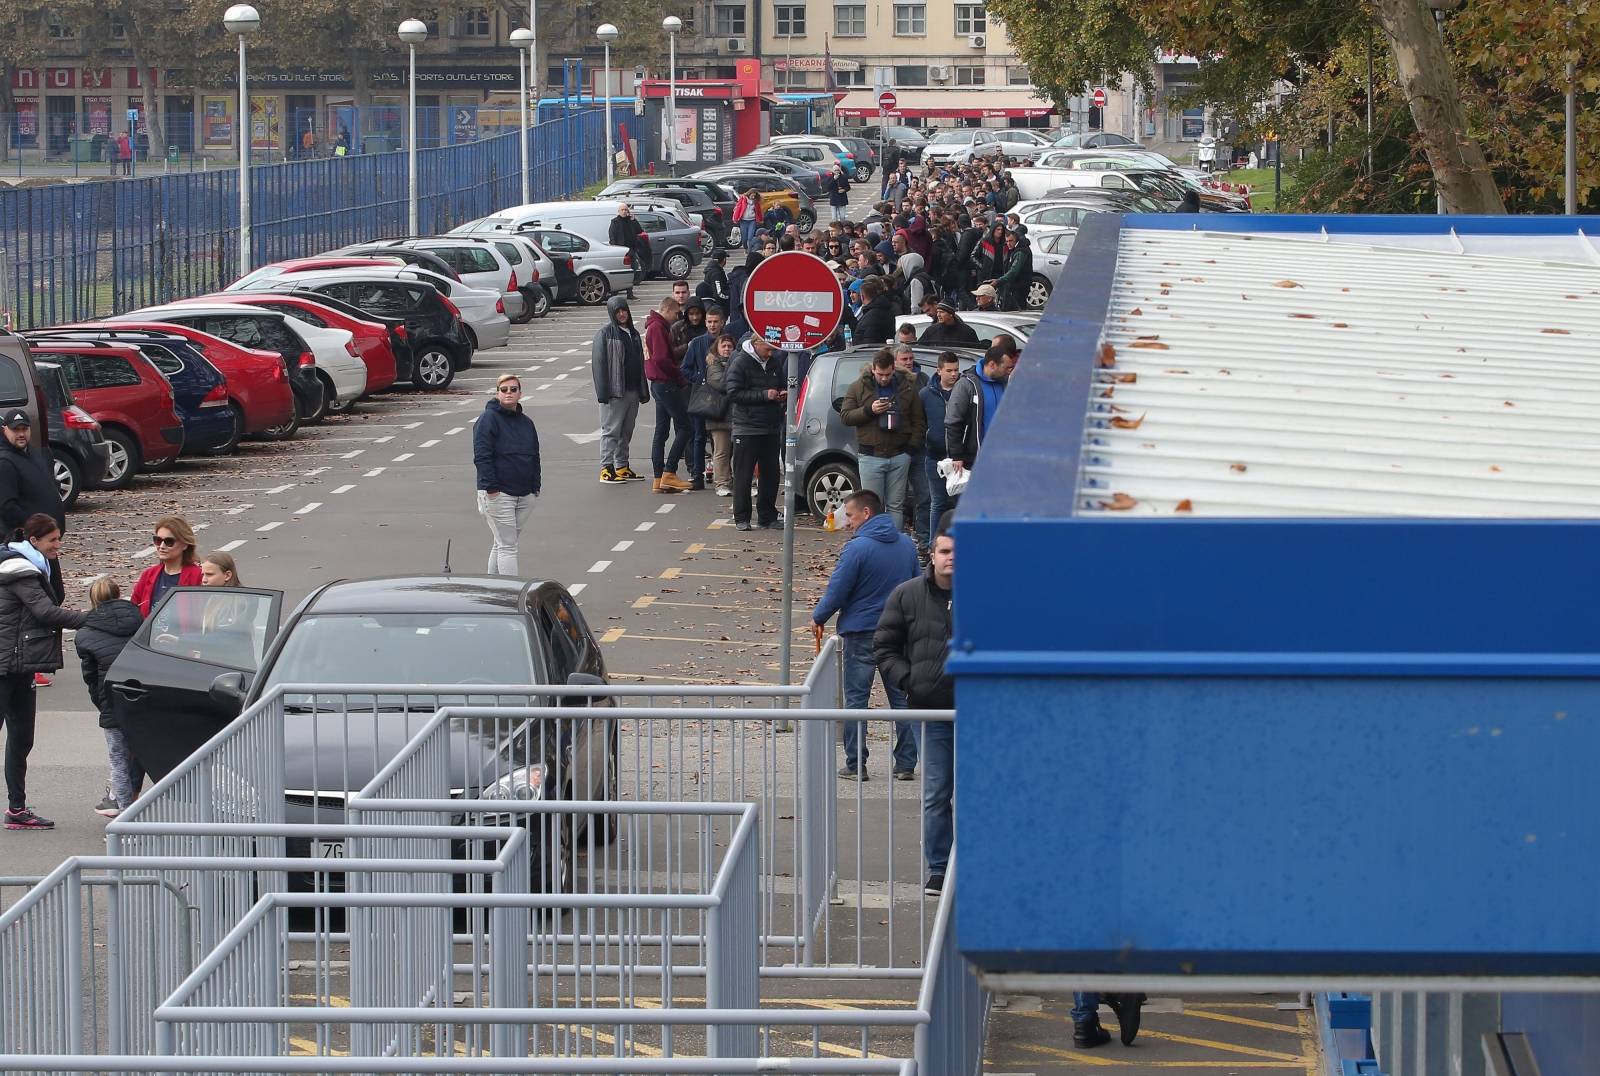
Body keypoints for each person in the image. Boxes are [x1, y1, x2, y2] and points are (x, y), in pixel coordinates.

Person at [812, 489, 919, 781]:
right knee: (902, 698)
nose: (847, 522)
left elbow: (838, 589)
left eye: (850, 515)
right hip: (899, 633)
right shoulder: (907, 545)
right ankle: (906, 763)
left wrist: (819, 616)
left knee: (857, 700)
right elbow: (917, 587)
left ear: (866, 514)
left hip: (861, 633)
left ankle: (856, 763)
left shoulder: (857, 549)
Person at [874, 510, 954, 892]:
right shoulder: (907, 595)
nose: (951, 558)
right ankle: (939, 868)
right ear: (932, 554)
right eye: (945, 551)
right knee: (936, 793)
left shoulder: (989, 594)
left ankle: (971, 866)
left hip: (980, 712)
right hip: (931, 710)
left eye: (959, 551)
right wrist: (912, 682)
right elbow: (884, 647)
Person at [0, 514, 88, 829]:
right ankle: (17, 808)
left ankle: (17, 809)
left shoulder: (31, 564)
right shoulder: (19, 570)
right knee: (19, 738)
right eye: (52, 540)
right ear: (33, 541)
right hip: (4, 666)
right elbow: (45, 612)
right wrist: (92, 619)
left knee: (22, 738)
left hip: (19, 666)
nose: (58, 545)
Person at [77, 576, 143, 818]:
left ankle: (125, 817)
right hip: (143, 700)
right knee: (148, 756)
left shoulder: (86, 635)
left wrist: (101, 703)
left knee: (119, 762)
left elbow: (91, 678)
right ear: (118, 595)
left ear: (93, 601)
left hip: (112, 703)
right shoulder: (140, 620)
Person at [840, 348, 925, 532]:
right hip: (871, 455)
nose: (884, 378)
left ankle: (893, 544)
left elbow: (918, 420)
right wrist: (869, 410)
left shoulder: (907, 387)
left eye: (887, 374)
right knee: (871, 507)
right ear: (873, 370)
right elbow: (845, 416)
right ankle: (873, 543)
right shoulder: (858, 387)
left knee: (896, 505)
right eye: (880, 374)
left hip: (900, 454)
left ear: (894, 369)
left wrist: (910, 448)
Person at [472, 373, 542, 575]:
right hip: (499, 494)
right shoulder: (488, 419)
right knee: (508, 546)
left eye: (513, 389)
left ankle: (493, 589)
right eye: (504, 390)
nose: (508, 393)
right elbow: (482, 456)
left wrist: (534, 487)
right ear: (497, 393)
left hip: (525, 494)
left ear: (520, 393)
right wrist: (491, 488)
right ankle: (510, 596)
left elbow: (534, 454)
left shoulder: (526, 423)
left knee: (502, 542)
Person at [724, 333, 786, 531]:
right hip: (747, 427)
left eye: (773, 349)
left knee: (771, 474)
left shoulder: (774, 363)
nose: (771, 353)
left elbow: (781, 384)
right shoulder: (741, 362)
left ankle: (767, 515)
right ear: (756, 343)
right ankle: (741, 517)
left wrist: (782, 394)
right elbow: (733, 392)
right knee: (743, 474)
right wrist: (763, 395)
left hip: (771, 426)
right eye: (768, 349)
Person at [592, 296, 649, 484]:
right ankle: (606, 469)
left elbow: (640, 363)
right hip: (614, 392)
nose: (622, 314)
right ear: (612, 314)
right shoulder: (605, 334)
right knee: (611, 431)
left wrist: (643, 390)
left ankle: (622, 466)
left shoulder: (633, 333)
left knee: (626, 430)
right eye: (618, 312)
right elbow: (599, 365)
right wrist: (603, 393)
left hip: (632, 390)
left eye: (624, 310)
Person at [644, 297, 694, 494]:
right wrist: (679, 376)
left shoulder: (654, 326)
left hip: (658, 383)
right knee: (685, 426)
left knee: (662, 430)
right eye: (675, 313)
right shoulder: (658, 327)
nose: (676, 318)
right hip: (665, 382)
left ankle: (658, 477)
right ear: (666, 309)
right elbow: (662, 358)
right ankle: (669, 471)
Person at [945, 344, 1008, 479]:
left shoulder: (1004, 383)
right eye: (1006, 367)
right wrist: (956, 455)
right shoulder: (966, 384)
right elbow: (953, 421)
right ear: (992, 364)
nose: (1009, 371)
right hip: (972, 459)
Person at [0, 408, 65, 539]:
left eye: (24, 429)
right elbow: (7, 507)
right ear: (5, 430)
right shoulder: (5, 462)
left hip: (45, 540)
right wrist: (35, 529)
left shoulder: (34, 453)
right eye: (16, 430)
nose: (21, 434)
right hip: (27, 541)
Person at [918, 353, 960, 552]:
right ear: (939, 371)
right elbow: (920, 422)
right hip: (934, 456)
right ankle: (933, 546)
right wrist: (925, 440)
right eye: (949, 370)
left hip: (959, 457)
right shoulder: (926, 394)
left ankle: (960, 544)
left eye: (956, 370)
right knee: (937, 503)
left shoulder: (963, 390)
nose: (954, 374)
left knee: (960, 504)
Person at [682, 305, 725, 492]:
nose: (712, 325)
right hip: (701, 397)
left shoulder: (727, 341)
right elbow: (685, 368)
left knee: (722, 437)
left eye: (716, 322)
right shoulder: (697, 343)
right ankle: (697, 475)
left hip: (723, 397)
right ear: (705, 322)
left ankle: (723, 475)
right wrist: (699, 379)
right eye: (709, 322)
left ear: (722, 322)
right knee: (699, 436)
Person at [131, 515, 203, 616]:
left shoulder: (198, 576)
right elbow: (132, 611)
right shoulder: (148, 575)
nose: (162, 546)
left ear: (185, 544)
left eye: (169, 542)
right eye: (158, 540)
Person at [702, 332, 737, 497]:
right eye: (723, 346)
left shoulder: (738, 363)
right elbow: (722, 384)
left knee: (739, 451)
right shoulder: (713, 365)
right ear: (717, 348)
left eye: (730, 346)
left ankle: (742, 481)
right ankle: (722, 483)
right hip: (719, 414)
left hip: (737, 414)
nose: (727, 349)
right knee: (721, 451)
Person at [607, 203, 647, 297]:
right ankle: (614, 292)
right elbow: (612, 236)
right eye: (622, 210)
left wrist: (634, 220)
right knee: (618, 271)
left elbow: (640, 231)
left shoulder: (631, 221)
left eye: (626, 210)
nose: (624, 212)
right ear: (619, 211)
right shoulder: (615, 222)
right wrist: (614, 248)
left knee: (632, 270)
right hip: (620, 251)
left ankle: (630, 292)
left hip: (631, 249)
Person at [854, 277, 897, 348]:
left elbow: (869, 342)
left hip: (868, 355)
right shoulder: (886, 309)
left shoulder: (871, 316)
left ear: (862, 297)